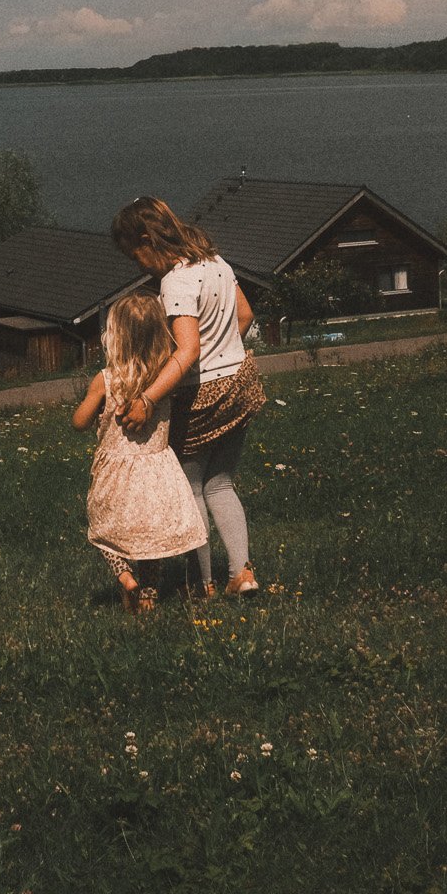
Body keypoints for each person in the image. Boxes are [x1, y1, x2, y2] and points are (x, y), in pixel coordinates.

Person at [110, 195, 266, 597]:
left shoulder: (176, 281)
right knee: (222, 484)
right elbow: (245, 316)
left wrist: (147, 399)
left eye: (135, 255)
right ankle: (242, 573)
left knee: (192, 489)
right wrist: (225, 350)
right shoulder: (217, 263)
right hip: (240, 384)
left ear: (148, 239)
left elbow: (187, 350)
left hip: (202, 396)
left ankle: (206, 584)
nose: (138, 265)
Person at [72, 293, 209, 614]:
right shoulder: (164, 381)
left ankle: (125, 577)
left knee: (104, 530)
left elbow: (79, 422)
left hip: (116, 474)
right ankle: (148, 591)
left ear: (115, 336)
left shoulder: (105, 380)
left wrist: (91, 403)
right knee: (150, 538)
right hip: (157, 472)